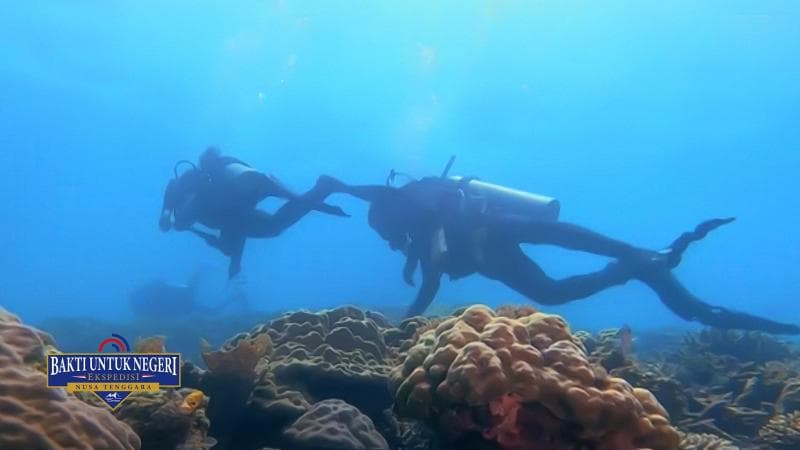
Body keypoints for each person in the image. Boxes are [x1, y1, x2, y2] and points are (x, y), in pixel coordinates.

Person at [331, 170, 800, 335]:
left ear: (391, 220)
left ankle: (635, 262)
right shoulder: (421, 214)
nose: (389, 242)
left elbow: (434, 270)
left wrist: (408, 322)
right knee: (559, 269)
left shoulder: (421, 219)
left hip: (490, 239)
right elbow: (426, 251)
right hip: (493, 240)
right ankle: (637, 261)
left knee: (559, 272)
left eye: (386, 234)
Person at [159, 147, 347, 277]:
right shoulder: (204, 198)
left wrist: (234, 261)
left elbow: (235, 224)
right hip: (249, 192)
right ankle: (322, 189)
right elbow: (237, 224)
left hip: (240, 198)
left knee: (271, 226)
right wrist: (317, 202)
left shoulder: (198, 200)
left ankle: (321, 189)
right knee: (274, 225)